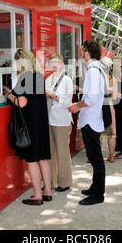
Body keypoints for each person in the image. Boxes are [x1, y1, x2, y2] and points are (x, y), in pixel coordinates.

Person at [3, 48, 51, 205]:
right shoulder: (38, 77)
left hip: (30, 126)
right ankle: (47, 192)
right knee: (43, 159)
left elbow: (21, 102)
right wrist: (14, 92)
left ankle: (37, 195)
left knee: (32, 160)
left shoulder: (24, 78)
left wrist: (8, 95)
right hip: (41, 124)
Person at [68, 40, 106, 205]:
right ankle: (95, 188)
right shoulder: (97, 69)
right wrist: (82, 91)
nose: (80, 54)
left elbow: (91, 99)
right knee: (94, 157)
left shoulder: (93, 71)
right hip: (92, 119)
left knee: (96, 159)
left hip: (90, 120)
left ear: (88, 53)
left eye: (82, 51)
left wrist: (77, 105)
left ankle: (97, 194)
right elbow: (93, 93)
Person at [45, 54, 74, 192]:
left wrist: (52, 96)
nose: (53, 64)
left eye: (56, 62)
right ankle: (51, 182)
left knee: (62, 153)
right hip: (49, 120)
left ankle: (65, 182)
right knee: (50, 154)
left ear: (61, 64)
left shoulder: (67, 80)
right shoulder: (47, 80)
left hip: (62, 121)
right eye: (51, 62)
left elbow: (68, 102)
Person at [99, 56, 117, 163]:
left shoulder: (97, 78)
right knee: (111, 134)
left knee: (98, 133)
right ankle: (111, 156)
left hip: (98, 106)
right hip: (109, 105)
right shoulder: (113, 79)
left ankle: (97, 156)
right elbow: (115, 97)